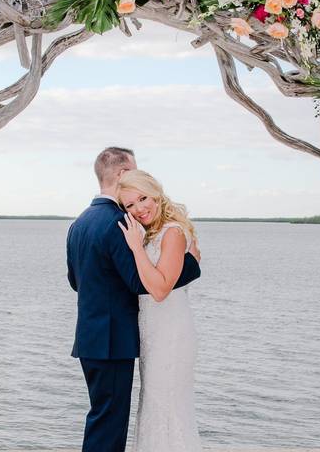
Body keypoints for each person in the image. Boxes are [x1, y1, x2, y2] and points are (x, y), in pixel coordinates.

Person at [66, 147, 201, 452]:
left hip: (90, 339)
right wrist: (191, 265)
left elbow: (76, 282)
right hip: (113, 341)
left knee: (102, 418)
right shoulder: (120, 222)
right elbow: (141, 283)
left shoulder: (79, 222)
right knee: (109, 427)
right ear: (124, 173)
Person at [117, 169, 202, 452]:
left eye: (143, 198)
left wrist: (135, 248)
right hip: (153, 334)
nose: (139, 209)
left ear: (156, 193)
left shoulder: (173, 233)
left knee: (169, 407)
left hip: (172, 335)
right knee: (153, 405)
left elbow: (161, 289)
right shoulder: (152, 233)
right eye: (130, 205)